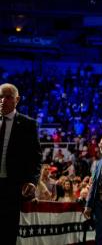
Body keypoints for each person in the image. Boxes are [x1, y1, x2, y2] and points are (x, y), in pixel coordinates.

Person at [0, 83, 42, 245]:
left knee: (8, 231)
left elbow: (35, 157)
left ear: (17, 100)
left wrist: (32, 180)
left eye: (8, 97)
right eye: (0, 97)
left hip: (12, 187)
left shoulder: (27, 124)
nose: (3, 100)